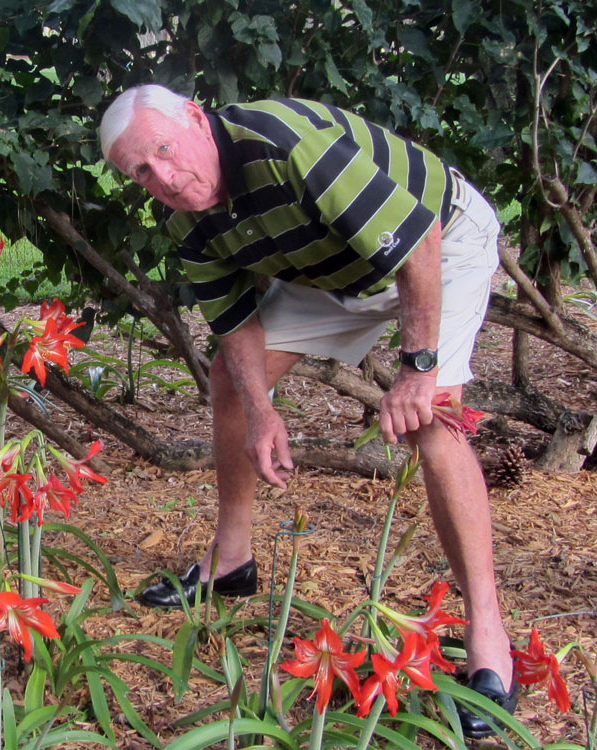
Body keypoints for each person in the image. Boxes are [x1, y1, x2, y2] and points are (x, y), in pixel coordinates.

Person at [99, 84, 515, 737]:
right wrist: (263, 412)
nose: (164, 177)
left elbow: (419, 241)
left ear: (196, 119)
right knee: (233, 381)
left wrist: (417, 369)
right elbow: (234, 324)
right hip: (336, 270)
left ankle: (489, 634)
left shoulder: (282, 143)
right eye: (140, 171)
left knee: (434, 421)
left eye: (164, 150)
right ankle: (231, 561)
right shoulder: (186, 219)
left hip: (438, 237)